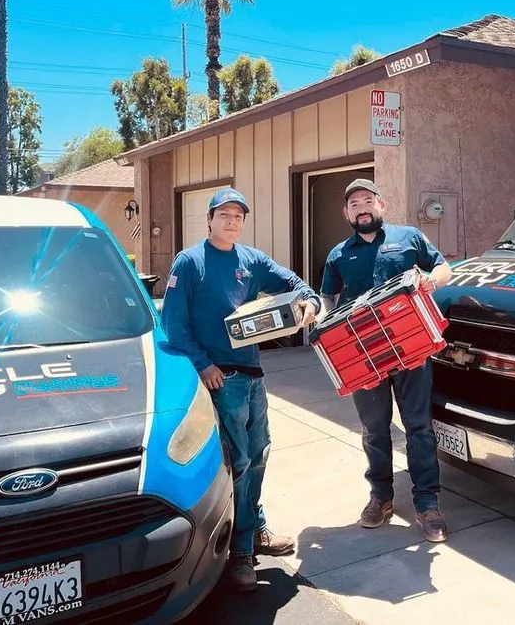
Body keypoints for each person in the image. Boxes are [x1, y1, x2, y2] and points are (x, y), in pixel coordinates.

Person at [160, 187, 321, 592]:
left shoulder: (251, 261)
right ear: (210, 218)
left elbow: (296, 284)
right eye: (224, 215)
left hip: (252, 375)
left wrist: (310, 304)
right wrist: (203, 365)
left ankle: (254, 528)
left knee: (260, 453)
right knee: (240, 462)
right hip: (220, 378)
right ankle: (240, 551)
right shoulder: (190, 262)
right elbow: (173, 326)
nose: (232, 222)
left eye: (238, 216)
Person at [318, 178, 453, 543]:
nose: (362, 207)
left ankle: (427, 503)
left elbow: (443, 269)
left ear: (381, 205)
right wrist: (326, 326)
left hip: (411, 349)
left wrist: (430, 281)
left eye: (367, 200)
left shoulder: (408, 237)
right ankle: (381, 497)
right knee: (374, 430)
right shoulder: (338, 255)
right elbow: (327, 300)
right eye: (354, 204)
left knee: (418, 427)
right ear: (346, 213)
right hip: (365, 357)